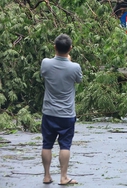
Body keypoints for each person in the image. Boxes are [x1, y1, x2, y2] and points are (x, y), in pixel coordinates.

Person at [40, 34, 83, 185]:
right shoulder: (75, 67)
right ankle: (63, 177)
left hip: (49, 113)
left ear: (54, 47)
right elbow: (78, 80)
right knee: (65, 145)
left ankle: (46, 176)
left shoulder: (45, 63)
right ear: (70, 48)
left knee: (47, 144)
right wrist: (68, 61)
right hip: (67, 114)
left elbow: (44, 73)